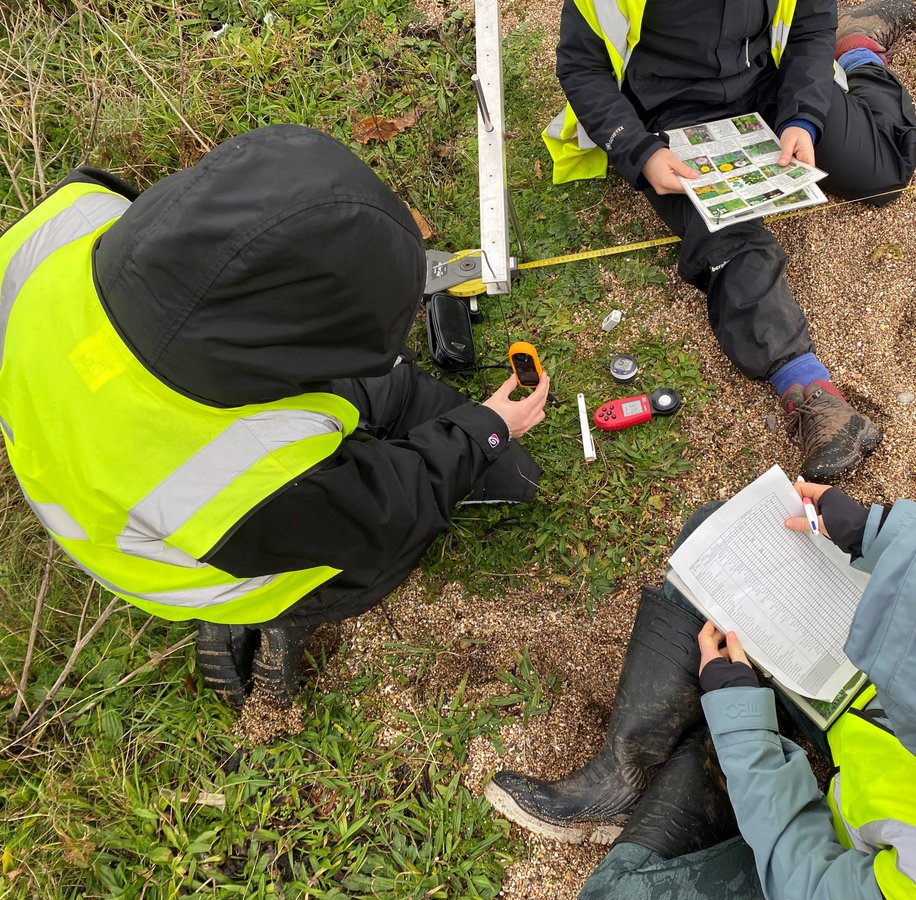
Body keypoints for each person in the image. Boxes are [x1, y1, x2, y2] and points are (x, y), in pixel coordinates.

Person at [485, 445, 916, 898]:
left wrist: (740, 725)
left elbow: (811, 878)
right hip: (880, 738)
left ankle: (728, 757)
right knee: (725, 530)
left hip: (848, 848)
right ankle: (627, 772)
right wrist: (885, 538)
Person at [0, 125, 550, 706]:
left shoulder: (72, 218)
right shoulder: (242, 475)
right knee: (367, 547)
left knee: (385, 404)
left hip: (103, 447)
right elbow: (384, 510)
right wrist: (488, 429)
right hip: (188, 558)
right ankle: (276, 610)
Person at [544, 0, 916, 479]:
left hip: (771, 83)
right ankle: (809, 391)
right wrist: (639, 151)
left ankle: (859, 52)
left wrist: (803, 116)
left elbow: (809, 24)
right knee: (726, 237)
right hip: (669, 116)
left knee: (883, 174)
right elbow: (581, 66)